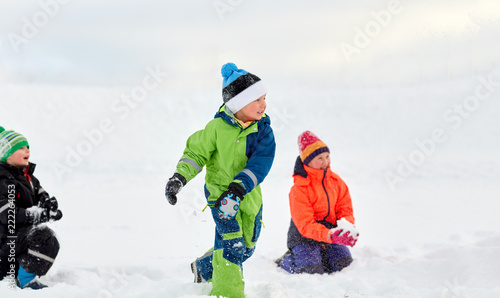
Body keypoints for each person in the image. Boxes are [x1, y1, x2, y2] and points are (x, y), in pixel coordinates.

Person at [164, 62, 275, 298]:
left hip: (248, 196)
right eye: (257, 99)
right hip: (220, 197)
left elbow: (261, 162)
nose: (263, 105)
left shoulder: (263, 131)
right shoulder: (216, 128)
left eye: (264, 98)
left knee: (247, 246)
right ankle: (227, 294)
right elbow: (196, 153)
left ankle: (203, 267)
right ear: (238, 103)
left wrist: (240, 186)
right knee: (231, 248)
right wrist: (179, 178)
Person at [276, 130, 358, 274]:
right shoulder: (299, 189)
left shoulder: (336, 182)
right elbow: (305, 224)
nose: (325, 162)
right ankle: (288, 259)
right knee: (311, 271)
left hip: (331, 234)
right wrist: (329, 235)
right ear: (307, 161)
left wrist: (346, 228)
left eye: (327, 156)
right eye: (320, 158)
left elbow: (345, 209)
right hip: (304, 238)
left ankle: (322, 254)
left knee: (344, 265)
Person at [0, 127, 63, 289]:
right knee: (43, 235)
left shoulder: (28, 177)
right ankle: (25, 280)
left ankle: (17, 273)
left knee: (49, 239)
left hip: (14, 242)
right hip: (4, 242)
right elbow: (8, 214)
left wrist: (50, 208)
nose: (27, 150)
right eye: (20, 147)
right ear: (6, 155)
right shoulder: (3, 180)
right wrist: (39, 216)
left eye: (27, 147)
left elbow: (41, 196)